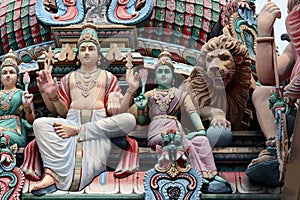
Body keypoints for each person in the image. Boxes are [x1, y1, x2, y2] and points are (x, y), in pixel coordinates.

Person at [28, 24, 140, 195]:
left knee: (129, 120)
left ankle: (79, 131)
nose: (87, 52)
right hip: (69, 124)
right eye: (83, 49)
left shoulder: (107, 77)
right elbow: (62, 111)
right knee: (39, 124)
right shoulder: (68, 78)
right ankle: (52, 175)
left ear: (98, 55)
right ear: (78, 55)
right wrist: (51, 94)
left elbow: (117, 113)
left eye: (91, 48)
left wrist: (130, 90)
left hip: (97, 129)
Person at [130, 50, 232, 194]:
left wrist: (200, 129)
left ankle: (210, 174)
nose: (163, 74)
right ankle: (198, 176)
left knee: (202, 140)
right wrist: (141, 109)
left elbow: (192, 112)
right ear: (156, 77)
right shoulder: (149, 95)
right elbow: (141, 121)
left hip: (177, 129)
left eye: (167, 71)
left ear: (173, 77)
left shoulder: (181, 94)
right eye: (160, 72)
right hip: (157, 132)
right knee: (178, 139)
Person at [247, 1, 299, 186]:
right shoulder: (294, 47)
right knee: (262, 94)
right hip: (291, 119)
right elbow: (269, 75)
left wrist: (292, 91)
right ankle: (275, 147)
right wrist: (264, 31)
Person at [0, 50, 35, 148]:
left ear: (18, 78)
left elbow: (31, 121)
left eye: (11, 72)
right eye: (4, 73)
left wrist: (27, 106)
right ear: (0, 79)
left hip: (15, 130)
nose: (8, 75)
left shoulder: (22, 94)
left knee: (4, 138)